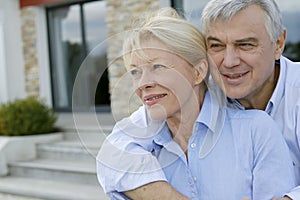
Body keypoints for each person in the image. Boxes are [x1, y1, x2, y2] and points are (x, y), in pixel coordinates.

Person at [96, 7, 295, 200]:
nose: (143, 83)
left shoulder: (256, 130)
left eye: (158, 66)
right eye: (135, 72)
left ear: (198, 72)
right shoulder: (143, 141)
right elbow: (110, 154)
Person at [201, 0, 300, 199]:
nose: (229, 62)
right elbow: (125, 146)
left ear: (279, 44)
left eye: (245, 45)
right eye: (216, 46)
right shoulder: (198, 93)